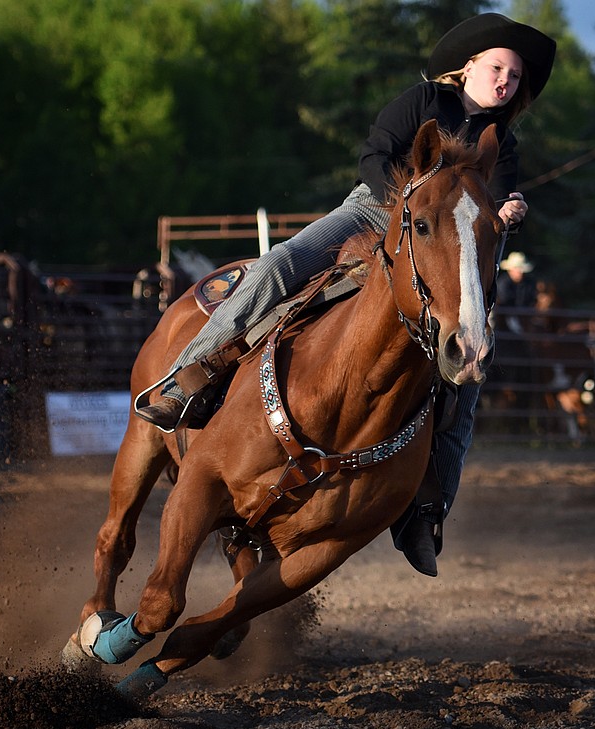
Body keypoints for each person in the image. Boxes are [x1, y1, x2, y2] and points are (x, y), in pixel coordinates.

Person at [134, 14, 557, 577]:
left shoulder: (500, 144)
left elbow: (490, 203)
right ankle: (187, 375)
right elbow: (374, 155)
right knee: (279, 264)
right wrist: (402, 209)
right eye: (497, 67)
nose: (504, 80)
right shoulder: (423, 100)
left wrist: (508, 212)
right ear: (469, 67)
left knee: (467, 388)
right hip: (374, 211)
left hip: (447, 247)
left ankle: (425, 513)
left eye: (514, 75)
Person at [495, 251, 537, 334]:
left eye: (522, 269)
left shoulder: (529, 282)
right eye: (517, 268)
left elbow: (532, 299)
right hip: (506, 317)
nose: (520, 272)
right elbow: (505, 302)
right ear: (510, 270)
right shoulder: (503, 283)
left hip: (527, 316)